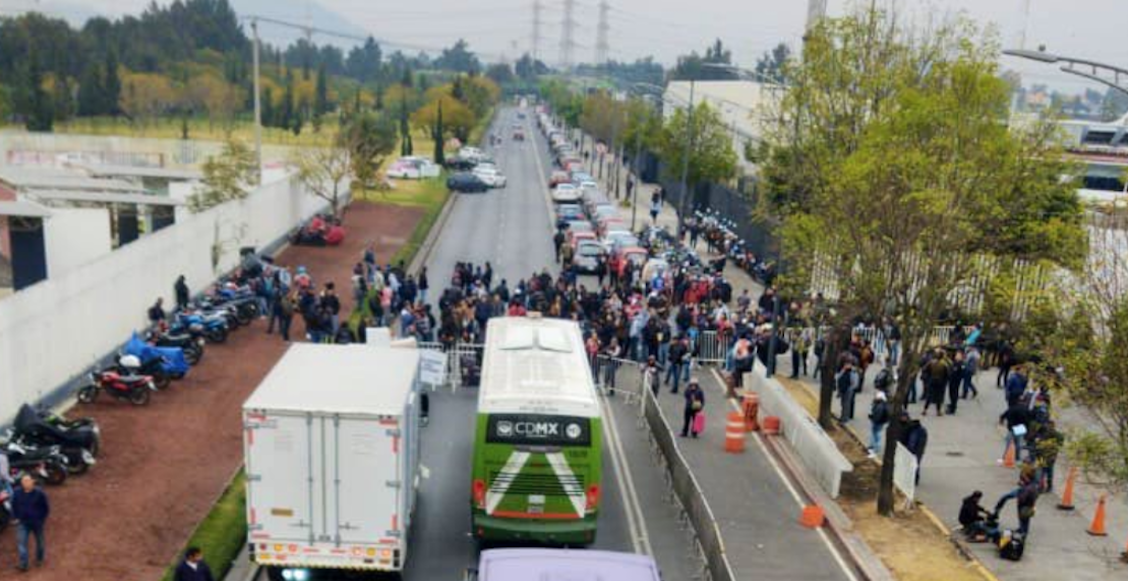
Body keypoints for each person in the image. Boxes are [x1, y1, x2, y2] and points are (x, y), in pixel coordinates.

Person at [12, 474, 49, 571]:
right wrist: (16, 517)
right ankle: (23, 564)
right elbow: (14, 505)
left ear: (33, 482)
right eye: (23, 481)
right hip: (23, 522)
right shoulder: (17, 493)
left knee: (40, 542)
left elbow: (45, 508)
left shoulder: (40, 493)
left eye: (28, 481)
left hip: (37, 523)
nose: (25, 483)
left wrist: (41, 519)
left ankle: (39, 559)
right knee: (21, 543)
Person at [867, 391, 890, 457]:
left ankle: (875, 448)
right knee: (875, 434)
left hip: (878, 422)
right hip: (879, 422)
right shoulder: (881, 404)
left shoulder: (880, 406)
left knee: (876, 435)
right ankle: (873, 446)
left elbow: (877, 415)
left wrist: (872, 418)